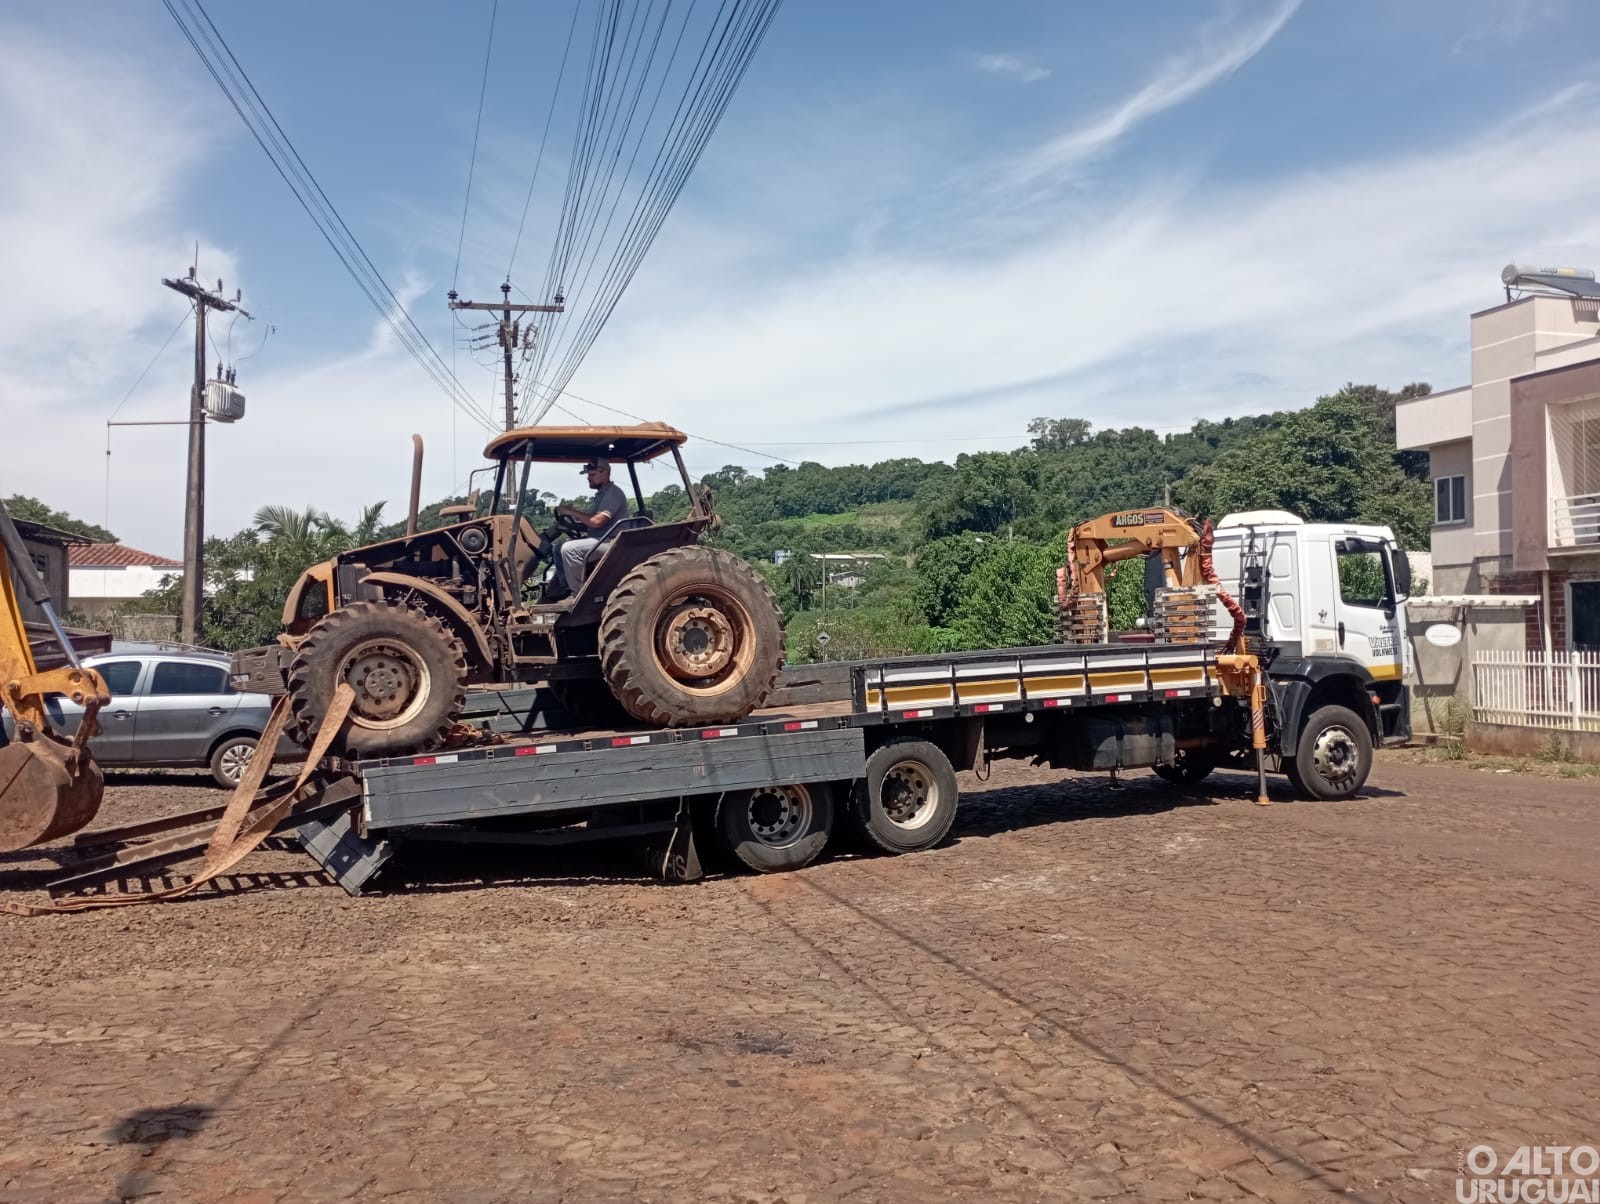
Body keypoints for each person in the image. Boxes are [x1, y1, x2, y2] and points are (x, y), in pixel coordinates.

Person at [551, 458, 629, 596]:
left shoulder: (613, 493)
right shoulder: (601, 495)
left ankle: (578, 596)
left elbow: (597, 521)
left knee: (569, 549)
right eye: (588, 475)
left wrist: (571, 511)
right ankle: (565, 590)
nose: (588, 478)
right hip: (601, 538)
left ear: (605, 473)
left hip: (613, 541)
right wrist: (571, 525)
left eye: (592, 474)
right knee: (557, 548)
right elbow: (592, 524)